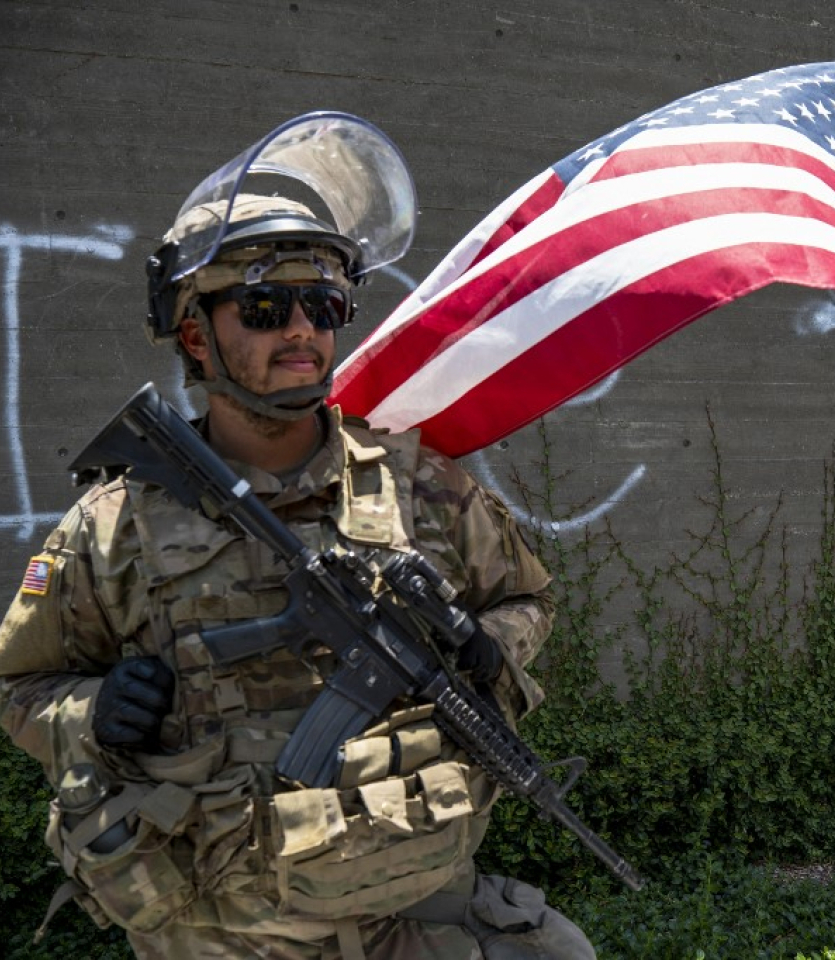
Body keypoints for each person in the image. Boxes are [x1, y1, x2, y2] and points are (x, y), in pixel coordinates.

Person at [0, 115, 596, 960]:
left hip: (406, 916)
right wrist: (95, 711)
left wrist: (488, 648)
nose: (302, 330)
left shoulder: (419, 487)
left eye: (323, 305)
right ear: (198, 335)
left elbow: (527, 597)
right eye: (266, 305)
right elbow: (18, 688)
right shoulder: (113, 527)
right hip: (219, 935)